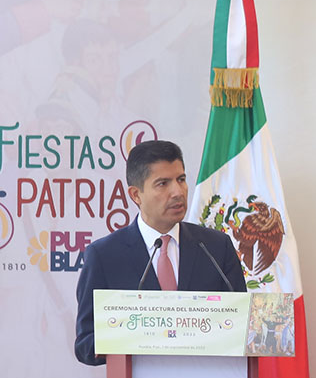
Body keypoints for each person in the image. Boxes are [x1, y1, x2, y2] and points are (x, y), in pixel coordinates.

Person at [74, 140, 246, 365]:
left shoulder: (215, 247)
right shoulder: (105, 255)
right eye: (163, 183)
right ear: (136, 195)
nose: (177, 192)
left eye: (181, 180)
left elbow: (243, 325)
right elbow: (85, 345)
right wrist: (132, 334)